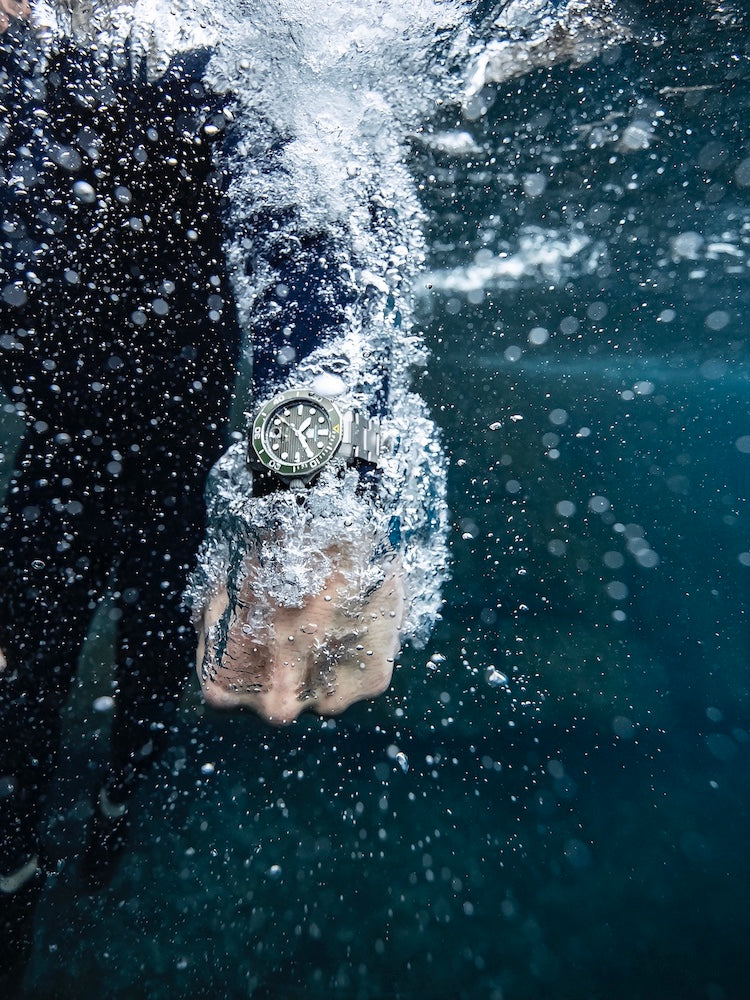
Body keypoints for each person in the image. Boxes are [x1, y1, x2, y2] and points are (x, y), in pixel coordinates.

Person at [0, 0, 448, 991]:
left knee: (156, 660)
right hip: (55, 467)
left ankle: (117, 806)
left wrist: (315, 498)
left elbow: (307, 231)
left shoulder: (177, 61)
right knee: (23, 680)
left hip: (170, 465)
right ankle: (17, 869)